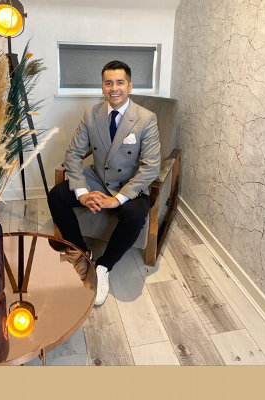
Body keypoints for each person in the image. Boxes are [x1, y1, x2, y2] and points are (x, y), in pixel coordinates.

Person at [48, 60, 161, 306]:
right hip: (97, 179)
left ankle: (104, 265)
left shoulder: (146, 119)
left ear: (130, 86)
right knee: (56, 195)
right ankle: (80, 252)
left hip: (129, 185)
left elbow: (151, 166)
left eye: (120, 82)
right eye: (108, 83)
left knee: (135, 214)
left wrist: (117, 199)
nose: (114, 88)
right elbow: (73, 155)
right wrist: (81, 193)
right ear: (102, 87)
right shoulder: (92, 114)